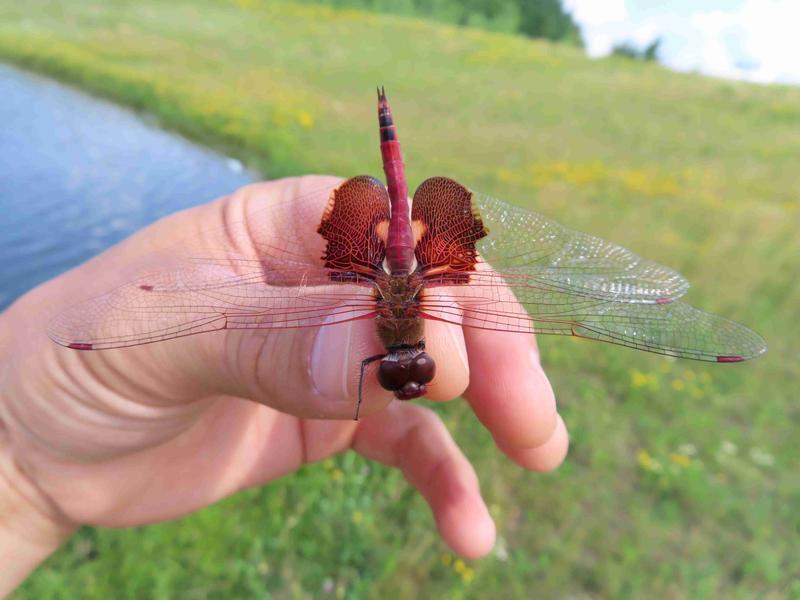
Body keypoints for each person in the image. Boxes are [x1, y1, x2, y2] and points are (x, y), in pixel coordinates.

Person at [0, 177, 568, 594]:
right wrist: (17, 454)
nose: (407, 380)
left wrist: (22, 481)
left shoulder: (398, 320)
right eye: (410, 375)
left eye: (404, 375)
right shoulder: (375, 310)